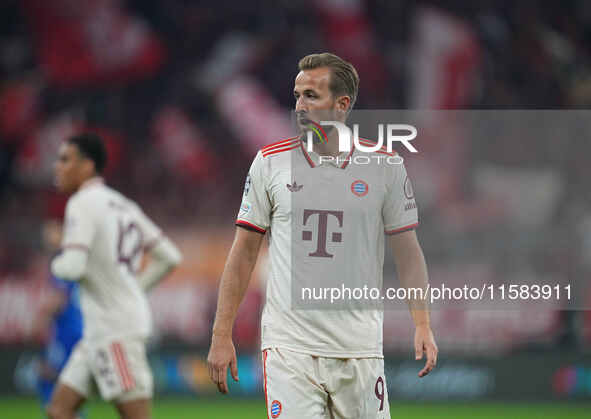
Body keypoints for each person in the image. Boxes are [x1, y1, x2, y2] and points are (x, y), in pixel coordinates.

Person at [207, 52, 438, 418]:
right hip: (289, 350)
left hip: (359, 349)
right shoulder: (269, 163)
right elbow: (243, 254)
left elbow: (408, 253)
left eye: (311, 96)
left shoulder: (385, 166)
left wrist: (422, 323)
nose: (300, 105)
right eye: (297, 95)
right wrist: (221, 335)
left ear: (342, 104)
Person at [47, 133, 183, 419]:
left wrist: (54, 260)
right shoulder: (123, 204)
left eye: (65, 159)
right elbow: (170, 256)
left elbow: (72, 266)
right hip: (100, 331)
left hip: (115, 332)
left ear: (87, 166)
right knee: (59, 411)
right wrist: (131, 288)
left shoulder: (81, 203)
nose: (57, 166)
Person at [34, 221, 84, 418]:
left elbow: (60, 300)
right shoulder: (70, 262)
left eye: (53, 233)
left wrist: (42, 316)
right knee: (63, 382)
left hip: (68, 334)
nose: (48, 237)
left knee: (50, 378)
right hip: (72, 332)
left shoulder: (62, 264)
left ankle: (60, 413)